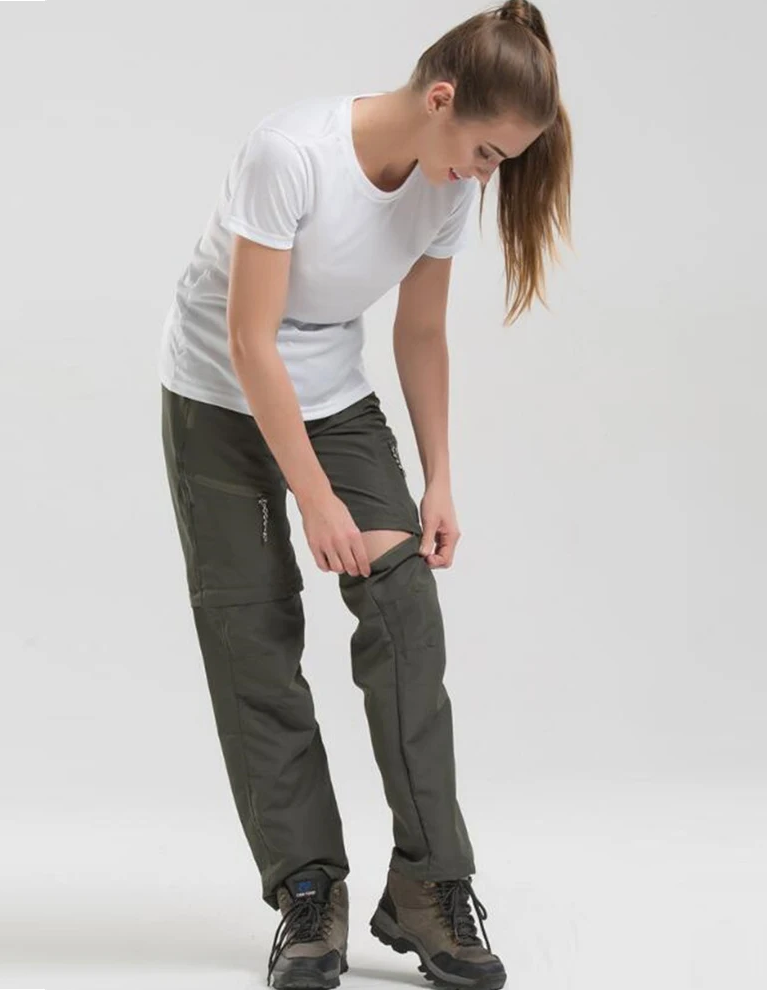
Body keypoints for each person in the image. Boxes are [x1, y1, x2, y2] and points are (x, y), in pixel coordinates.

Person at [158, 2, 572, 987]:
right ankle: (308, 889)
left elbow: (419, 334)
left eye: (501, 162)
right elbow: (250, 340)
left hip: (335, 402)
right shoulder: (291, 155)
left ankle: (429, 883)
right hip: (219, 399)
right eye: (485, 150)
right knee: (253, 637)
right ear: (440, 99)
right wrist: (314, 500)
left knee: (402, 606)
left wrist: (438, 478)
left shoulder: (446, 186)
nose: (485, 174)